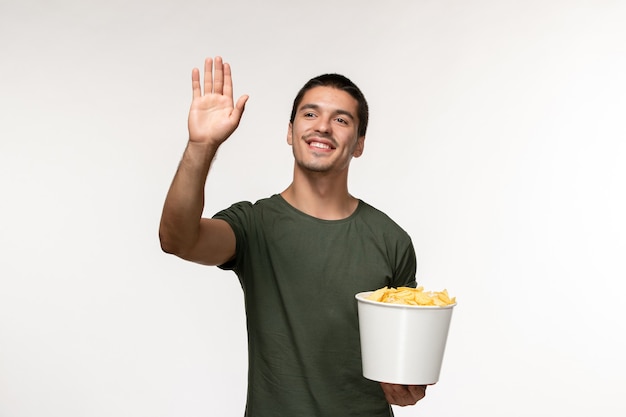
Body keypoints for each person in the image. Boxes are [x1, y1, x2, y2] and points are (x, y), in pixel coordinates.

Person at [159, 56, 427, 416]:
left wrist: (409, 384)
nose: (324, 127)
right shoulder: (254, 225)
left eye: (341, 119)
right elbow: (178, 239)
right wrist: (201, 146)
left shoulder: (391, 240)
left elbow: (405, 359)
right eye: (310, 114)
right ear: (290, 131)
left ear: (359, 143)